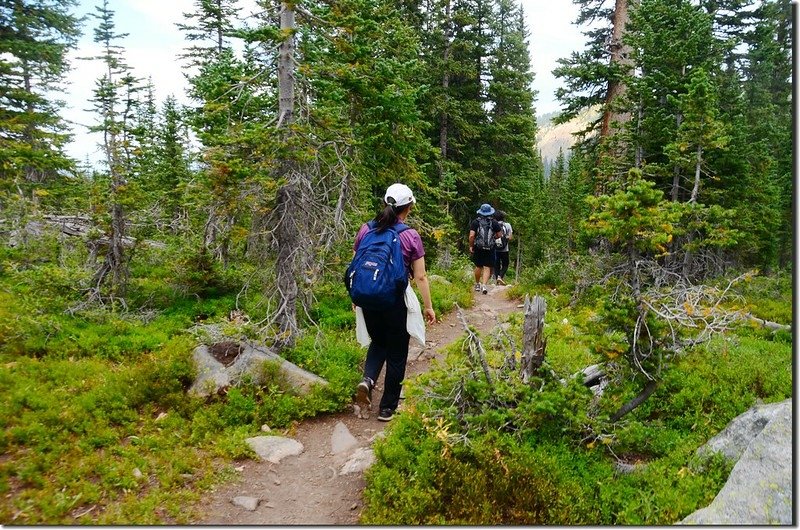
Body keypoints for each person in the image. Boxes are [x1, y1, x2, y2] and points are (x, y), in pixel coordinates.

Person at [352, 183, 436, 422]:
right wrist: (428, 306)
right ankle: (387, 407)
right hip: (395, 300)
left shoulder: (365, 230)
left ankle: (367, 380)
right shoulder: (410, 235)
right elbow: (420, 276)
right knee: (398, 351)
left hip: (368, 296)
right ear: (408, 207)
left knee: (378, 342)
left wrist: (356, 297)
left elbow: (356, 265)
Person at [469, 203, 503, 294]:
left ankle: (477, 284)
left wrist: (471, 246)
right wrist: (494, 238)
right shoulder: (494, 222)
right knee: (487, 267)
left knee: (478, 266)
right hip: (490, 247)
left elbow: (471, 236)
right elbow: (500, 234)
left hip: (478, 247)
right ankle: (484, 285)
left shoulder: (475, 222)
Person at [492, 209, 513, 285]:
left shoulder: (493, 224)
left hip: (495, 248)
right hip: (505, 249)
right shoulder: (507, 225)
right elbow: (510, 237)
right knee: (505, 264)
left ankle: (496, 280)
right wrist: (504, 239)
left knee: (496, 264)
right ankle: (500, 277)